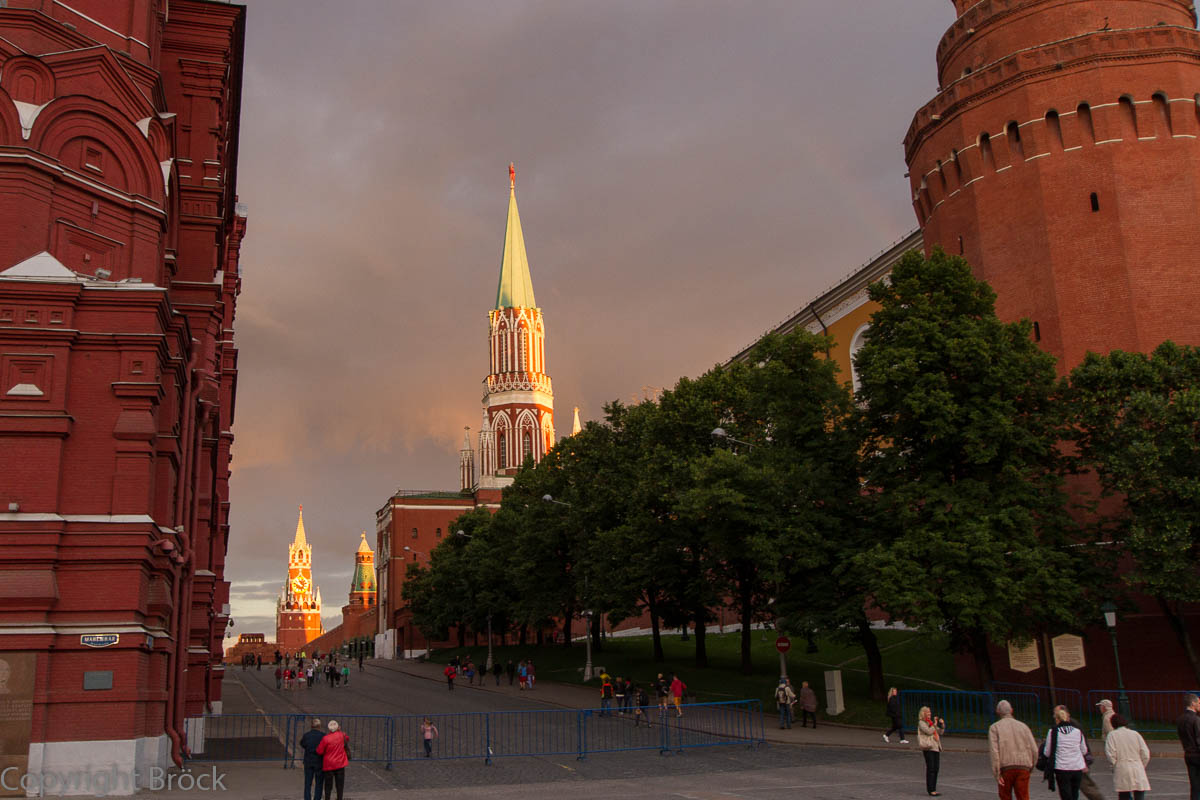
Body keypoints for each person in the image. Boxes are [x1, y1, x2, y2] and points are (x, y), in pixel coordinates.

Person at [989, 699, 1039, 800]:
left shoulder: (994, 728)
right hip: (1024, 766)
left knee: (1005, 796)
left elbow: (995, 752)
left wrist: (997, 773)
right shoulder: (1023, 727)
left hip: (1005, 767)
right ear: (1011, 710)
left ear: (997, 712)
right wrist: (1031, 766)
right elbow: (1034, 749)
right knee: (1023, 796)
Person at [1042, 705, 1089, 800]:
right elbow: (1084, 750)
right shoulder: (1077, 731)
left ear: (1057, 719)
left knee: (1065, 794)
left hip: (1061, 767)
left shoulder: (1052, 732)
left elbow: (1047, 752)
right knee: (1074, 794)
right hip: (1077, 767)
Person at [1105, 713, 1150, 800]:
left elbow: (1111, 754)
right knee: (1139, 792)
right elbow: (1145, 753)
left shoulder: (1112, 735)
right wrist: (1141, 765)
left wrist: (1115, 765)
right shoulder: (1135, 734)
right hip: (1137, 766)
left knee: (1124, 794)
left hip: (1122, 767)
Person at [315, 720, 349, 800]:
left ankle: (327, 798)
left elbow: (319, 751)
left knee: (328, 785)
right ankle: (339, 798)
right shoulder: (342, 735)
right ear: (337, 727)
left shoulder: (326, 738)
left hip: (329, 765)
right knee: (340, 785)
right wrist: (339, 730)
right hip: (340, 763)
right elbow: (347, 739)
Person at [918, 706, 947, 796]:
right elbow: (929, 731)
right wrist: (934, 723)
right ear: (924, 713)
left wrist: (941, 725)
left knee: (936, 768)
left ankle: (934, 788)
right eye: (928, 712)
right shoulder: (921, 723)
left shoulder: (930, 722)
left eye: (930, 712)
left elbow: (940, 732)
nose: (929, 714)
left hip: (935, 747)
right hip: (928, 747)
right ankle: (930, 790)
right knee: (930, 768)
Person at [1177, 693, 1200, 800]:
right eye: (1198, 702)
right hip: (1197, 754)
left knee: (1194, 785)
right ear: (1193, 703)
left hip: (1188, 753)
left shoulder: (1180, 719)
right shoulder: (1196, 719)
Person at [298, 718, 325, 800]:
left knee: (308, 783)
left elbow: (302, 744)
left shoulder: (306, 735)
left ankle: (307, 798)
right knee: (319, 783)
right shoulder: (323, 736)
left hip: (308, 760)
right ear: (319, 726)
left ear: (311, 726)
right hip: (319, 761)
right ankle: (317, 798)